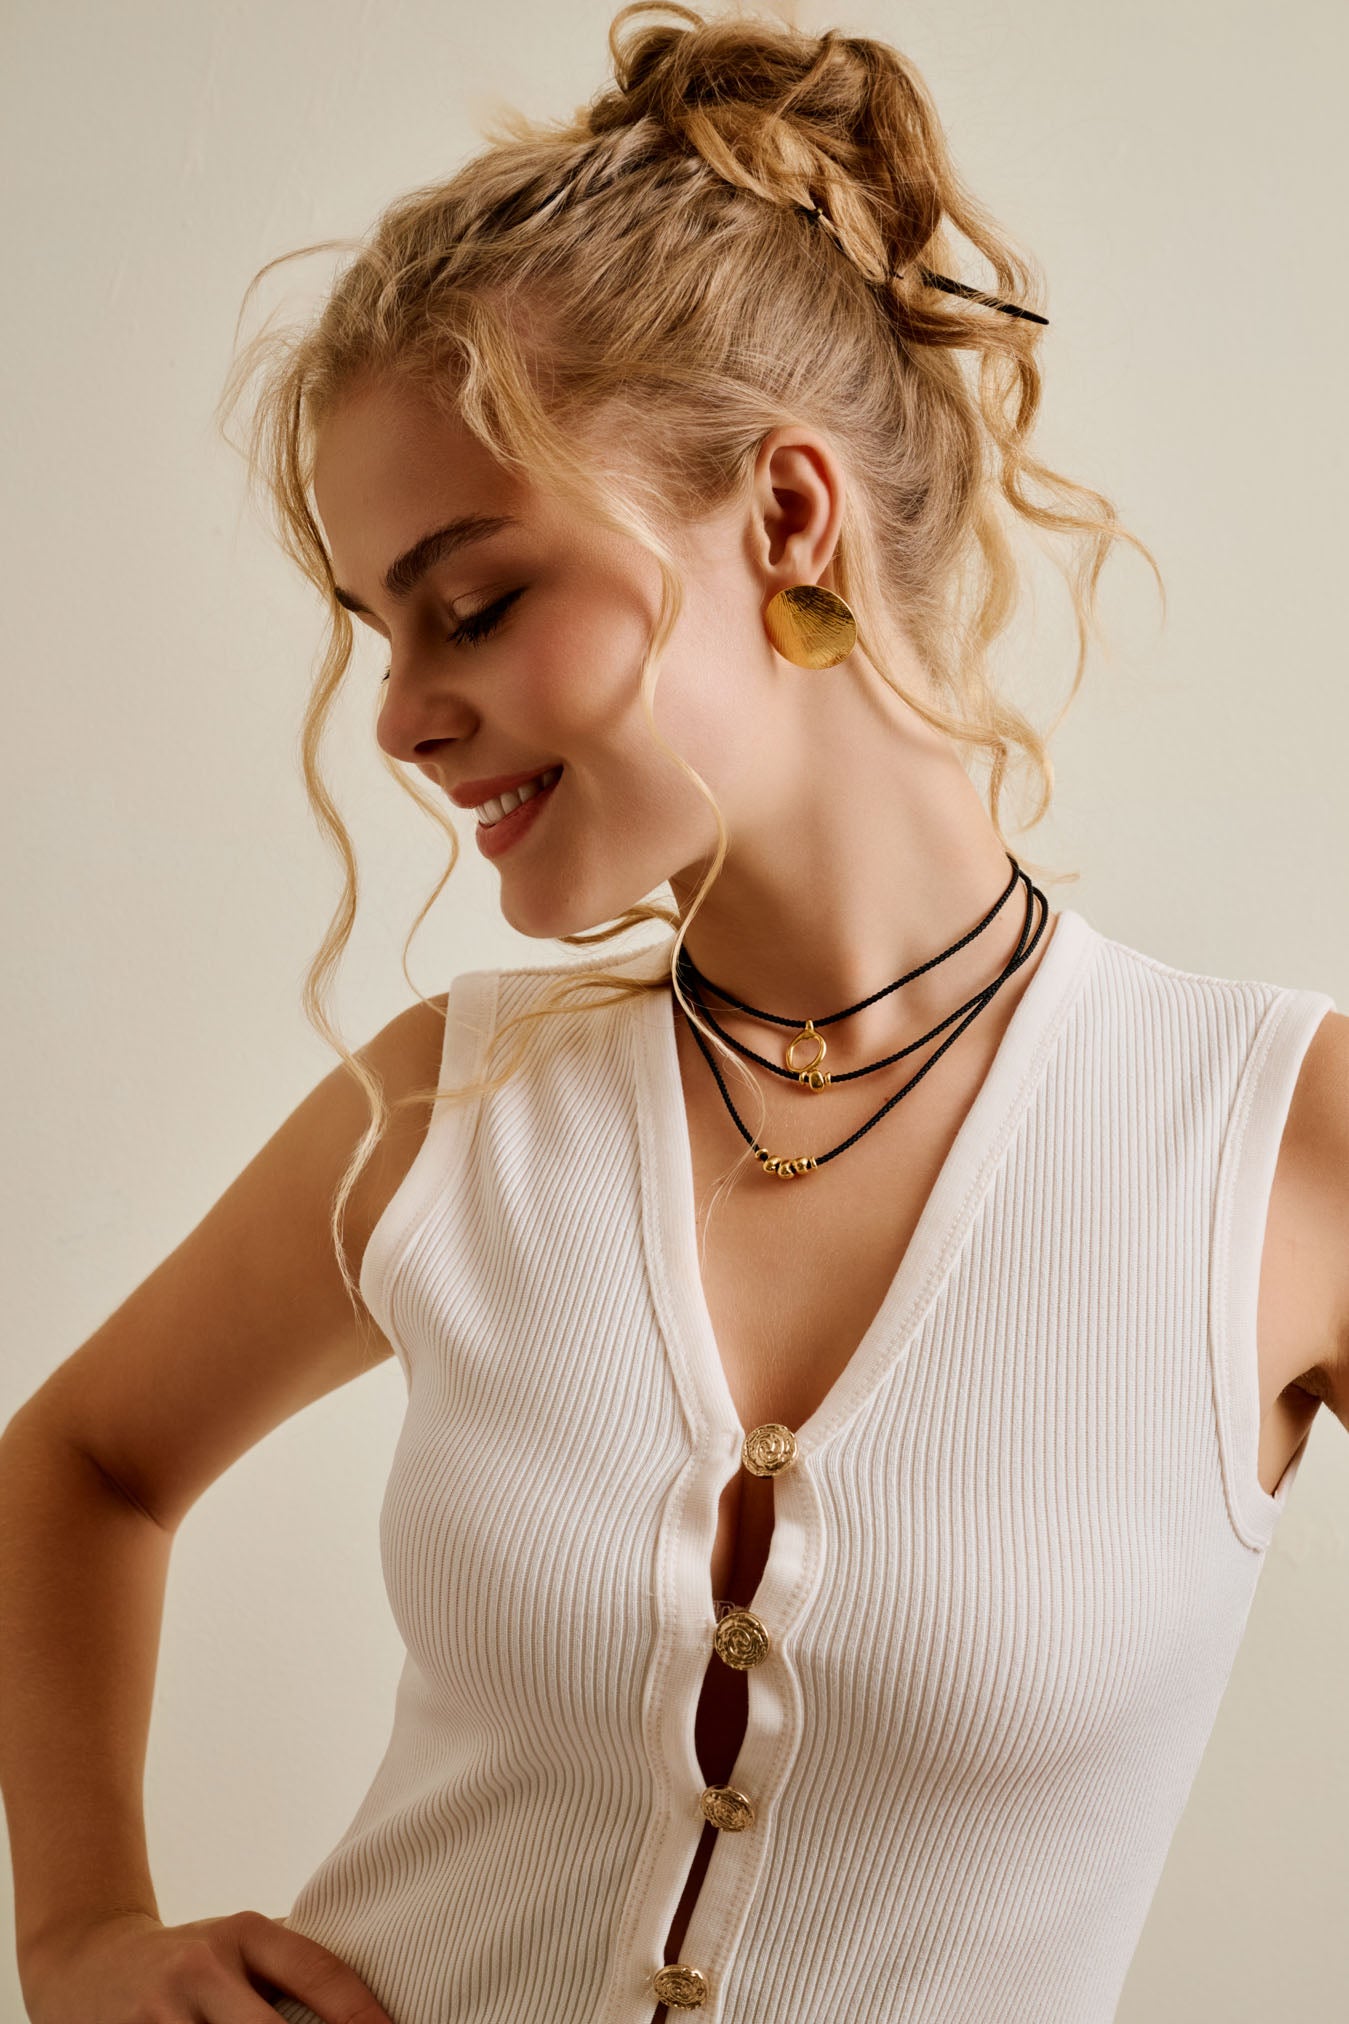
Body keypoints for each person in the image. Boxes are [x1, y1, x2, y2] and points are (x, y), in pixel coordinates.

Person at [3, 5, 1345, 2022]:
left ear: (788, 520)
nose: (398, 716)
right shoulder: (455, 1106)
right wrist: (80, 1933)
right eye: (379, 632)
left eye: (475, 602)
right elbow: (80, 1461)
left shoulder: (1274, 1139)